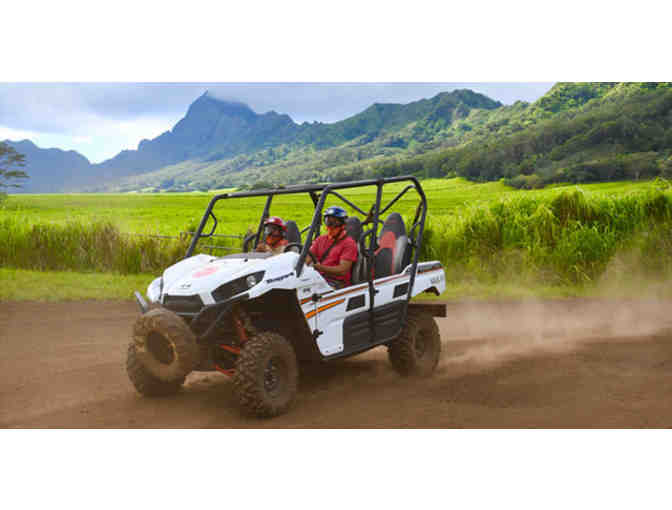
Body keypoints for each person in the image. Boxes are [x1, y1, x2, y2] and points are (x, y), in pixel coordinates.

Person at [306, 206, 358, 288]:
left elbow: (342, 270)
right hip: (318, 279)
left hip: (337, 283)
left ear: (343, 225)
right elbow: (307, 259)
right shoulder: (320, 239)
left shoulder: (349, 244)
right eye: (328, 221)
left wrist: (320, 268)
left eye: (334, 222)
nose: (329, 226)